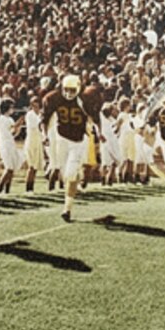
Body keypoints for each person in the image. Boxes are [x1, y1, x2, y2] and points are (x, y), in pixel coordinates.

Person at [41, 74, 100, 221]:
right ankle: (77, 178)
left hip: (77, 141)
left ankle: (67, 209)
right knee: (64, 173)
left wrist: (100, 133)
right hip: (61, 139)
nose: (68, 93)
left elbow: (95, 118)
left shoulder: (84, 100)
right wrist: (44, 135)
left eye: (72, 90)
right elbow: (44, 120)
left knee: (70, 174)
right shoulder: (53, 98)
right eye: (66, 89)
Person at [0, 99, 25, 194]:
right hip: (5, 144)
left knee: (12, 169)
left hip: (11, 143)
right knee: (9, 168)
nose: (13, 109)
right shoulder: (1, 119)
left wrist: (19, 126)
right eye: (11, 107)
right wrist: (19, 122)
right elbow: (12, 128)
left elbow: (13, 133)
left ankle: (7, 191)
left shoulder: (10, 119)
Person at [22, 96, 45, 193]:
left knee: (35, 167)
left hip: (38, 141)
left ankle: (31, 187)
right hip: (31, 141)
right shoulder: (30, 115)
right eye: (34, 104)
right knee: (31, 166)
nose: (37, 106)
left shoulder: (39, 114)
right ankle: (28, 189)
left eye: (38, 104)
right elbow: (37, 126)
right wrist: (42, 118)